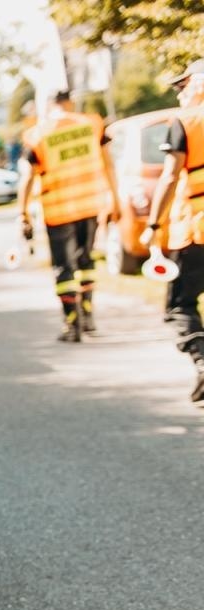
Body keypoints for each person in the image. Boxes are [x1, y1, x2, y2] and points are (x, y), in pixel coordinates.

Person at [17, 89, 120, 341]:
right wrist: (115, 200)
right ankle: (88, 317)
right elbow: (108, 163)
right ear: (70, 103)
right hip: (90, 205)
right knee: (86, 261)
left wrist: (23, 213)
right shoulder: (92, 124)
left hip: (58, 210)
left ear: (49, 105)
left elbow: (28, 177)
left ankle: (71, 324)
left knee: (64, 269)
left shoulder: (38, 134)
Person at [142, 59, 204, 401]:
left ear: (198, 85)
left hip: (196, 231)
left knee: (180, 305)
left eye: (183, 87)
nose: (179, 95)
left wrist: (153, 224)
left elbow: (169, 175)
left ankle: (202, 361)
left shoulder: (186, 121)